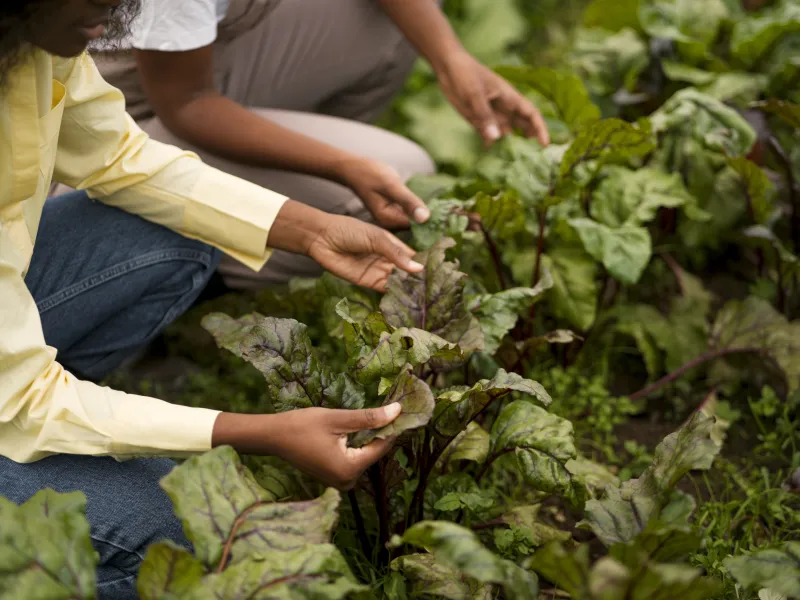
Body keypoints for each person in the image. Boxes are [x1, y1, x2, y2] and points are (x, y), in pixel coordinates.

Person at [0, 1, 429, 597]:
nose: (115, 11)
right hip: (12, 389)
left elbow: (119, 156)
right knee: (174, 532)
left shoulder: (33, 42)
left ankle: (75, 419)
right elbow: (24, 400)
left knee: (183, 230)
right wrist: (263, 432)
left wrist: (310, 229)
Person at [79, 0, 550, 290]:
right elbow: (187, 103)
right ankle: (193, 268)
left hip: (196, 62)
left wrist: (452, 59)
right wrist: (341, 164)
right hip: (117, 116)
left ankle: (284, 182)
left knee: (389, 21)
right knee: (400, 180)